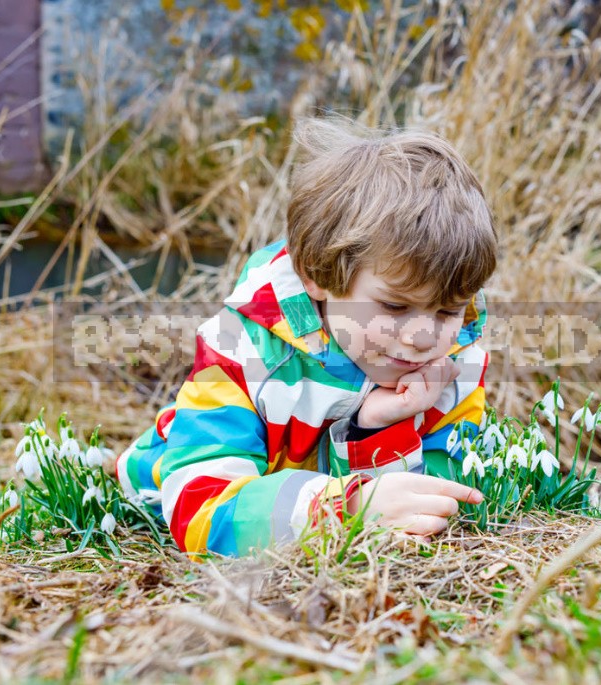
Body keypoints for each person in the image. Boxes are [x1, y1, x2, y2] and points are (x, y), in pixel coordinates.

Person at [117, 117, 498, 557]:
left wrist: (372, 431)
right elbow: (202, 506)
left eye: (448, 310)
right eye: (395, 306)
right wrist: (345, 510)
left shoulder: (456, 359)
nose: (423, 337)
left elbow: (435, 493)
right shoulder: (243, 351)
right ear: (317, 276)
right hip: (167, 478)